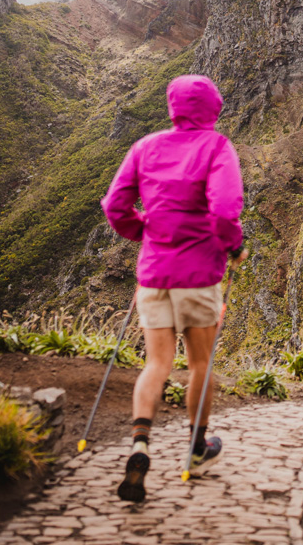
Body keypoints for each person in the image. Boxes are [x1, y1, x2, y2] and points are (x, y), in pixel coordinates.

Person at [102, 74, 246, 503]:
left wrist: (144, 231)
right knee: (200, 364)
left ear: (172, 105)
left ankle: (140, 445)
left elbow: (115, 206)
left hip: (154, 273)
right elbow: (223, 210)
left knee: (156, 365)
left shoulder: (145, 147)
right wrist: (233, 245)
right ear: (213, 107)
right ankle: (197, 449)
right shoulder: (217, 147)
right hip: (199, 275)